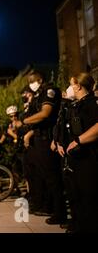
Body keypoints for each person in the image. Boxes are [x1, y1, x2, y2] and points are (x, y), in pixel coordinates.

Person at [22, 70, 67, 224]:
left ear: (40, 80)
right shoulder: (38, 95)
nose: (30, 84)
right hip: (39, 139)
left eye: (32, 80)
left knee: (53, 178)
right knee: (45, 177)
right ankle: (50, 207)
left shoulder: (49, 91)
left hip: (48, 139)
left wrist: (26, 121)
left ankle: (60, 212)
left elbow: (45, 113)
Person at [60, 73, 98, 232]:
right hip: (75, 159)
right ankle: (78, 225)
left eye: (71, 84)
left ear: (79, 86)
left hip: (89, 158)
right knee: (76, 195)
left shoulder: (92, 103)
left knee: (89, 197)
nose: (70, 88)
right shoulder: (76, 105)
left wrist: (78, 140)